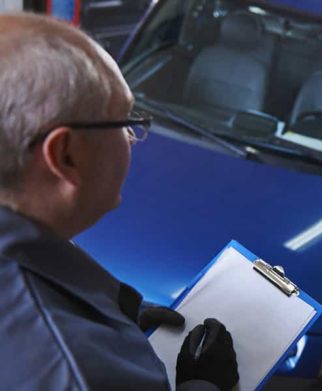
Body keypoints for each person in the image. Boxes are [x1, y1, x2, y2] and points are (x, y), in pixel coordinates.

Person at [0, 12, 238, 391]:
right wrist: (205, 386)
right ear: (66, 156)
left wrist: (114, 311)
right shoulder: (81, 372)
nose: (132, 137)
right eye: (124, 120)